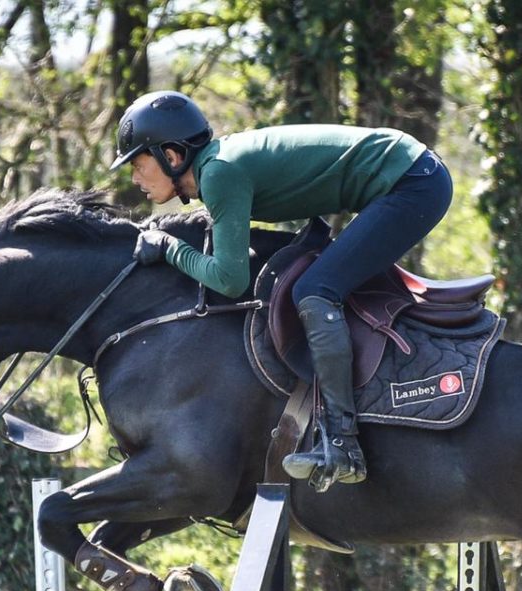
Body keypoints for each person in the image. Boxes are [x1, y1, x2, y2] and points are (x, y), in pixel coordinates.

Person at [110, 90, 453, 489]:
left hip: (413, 183)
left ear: (171, 156)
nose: (134, 179)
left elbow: (229, 279)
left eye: (138, 163)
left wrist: (169, 247)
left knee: (315, 291)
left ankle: (343, 443)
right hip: (411, 174)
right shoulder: (217, 168)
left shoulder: (220, 173)